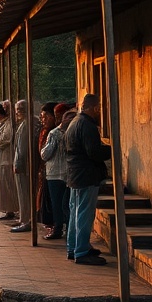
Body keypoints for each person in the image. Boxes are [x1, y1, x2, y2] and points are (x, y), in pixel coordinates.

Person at [65, 94, 111, 265]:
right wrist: (111, 150)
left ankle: (73, 247)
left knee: (75, 213)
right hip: (86, 175)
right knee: (84, 214)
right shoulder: (86, 125)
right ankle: (82, 251)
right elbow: (94, 152)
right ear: (94, 107)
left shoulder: (74, 122)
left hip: (75, 174)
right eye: (99, 108)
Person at [39, 104, 74, 240]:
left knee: (57, 205)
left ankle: (58, 229)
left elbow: (45, 154)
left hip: (54, 174)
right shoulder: (72, 132)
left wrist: (43, 149)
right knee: (67, 205)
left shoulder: (54, 133)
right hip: (69, 173)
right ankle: (68, 229)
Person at [0, 102, 19, 220]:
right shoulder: (4, 124)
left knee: (8, 187)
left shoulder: (9, 124)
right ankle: (8, 210)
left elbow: (4, 140)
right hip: (3, 160)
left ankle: (11, 210)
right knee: (4, 188)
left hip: (7, 160)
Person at [10, 99, 33, 233]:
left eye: (21, 109)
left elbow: (22, 149)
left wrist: (18, 164)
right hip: (23, 164)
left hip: (24, 166)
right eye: (17, 109)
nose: (19, 112)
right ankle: (24, 219)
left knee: (25, 194)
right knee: (24, 194)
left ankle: (26, 220)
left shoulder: (26, 124)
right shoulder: (25, 123)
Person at [36, 102, 56, 231]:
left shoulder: (54, 132)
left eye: (45, 117)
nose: (43, 120)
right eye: (42, 117)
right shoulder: (44, 131)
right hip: (43, 169)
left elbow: (45, 153)